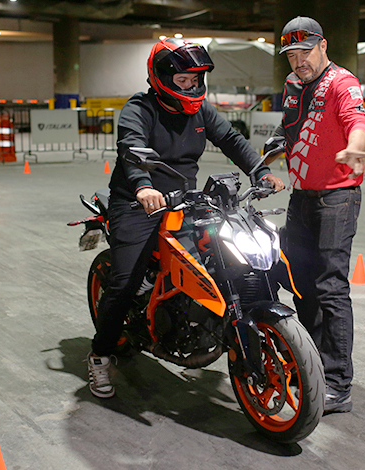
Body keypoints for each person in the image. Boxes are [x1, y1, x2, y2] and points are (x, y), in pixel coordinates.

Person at [87, 38, 285, 398]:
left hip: (187, 201)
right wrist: (143, 187)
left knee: (229, 258)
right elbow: (132, 148)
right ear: (162, 78)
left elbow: (230, 139)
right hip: (138, 203)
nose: (191, 87)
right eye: (183, 80)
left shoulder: (201, 111)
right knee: (125, 281)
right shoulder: (139, 109)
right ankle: (100, 355)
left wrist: (259, 170)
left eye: (195, 80)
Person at [268, 16, 365, 414]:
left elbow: (357, 122)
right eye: (291, 56)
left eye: (305, 52)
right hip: (302, 198)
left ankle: (338, 383)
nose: (299, 62)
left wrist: (355, 147)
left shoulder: (342, 82)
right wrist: (268, 153)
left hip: (336, 199)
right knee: (302, 285)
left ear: (323, 45)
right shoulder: (292, 85)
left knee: (330, 287)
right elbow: (289, 128)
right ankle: (312, 367)